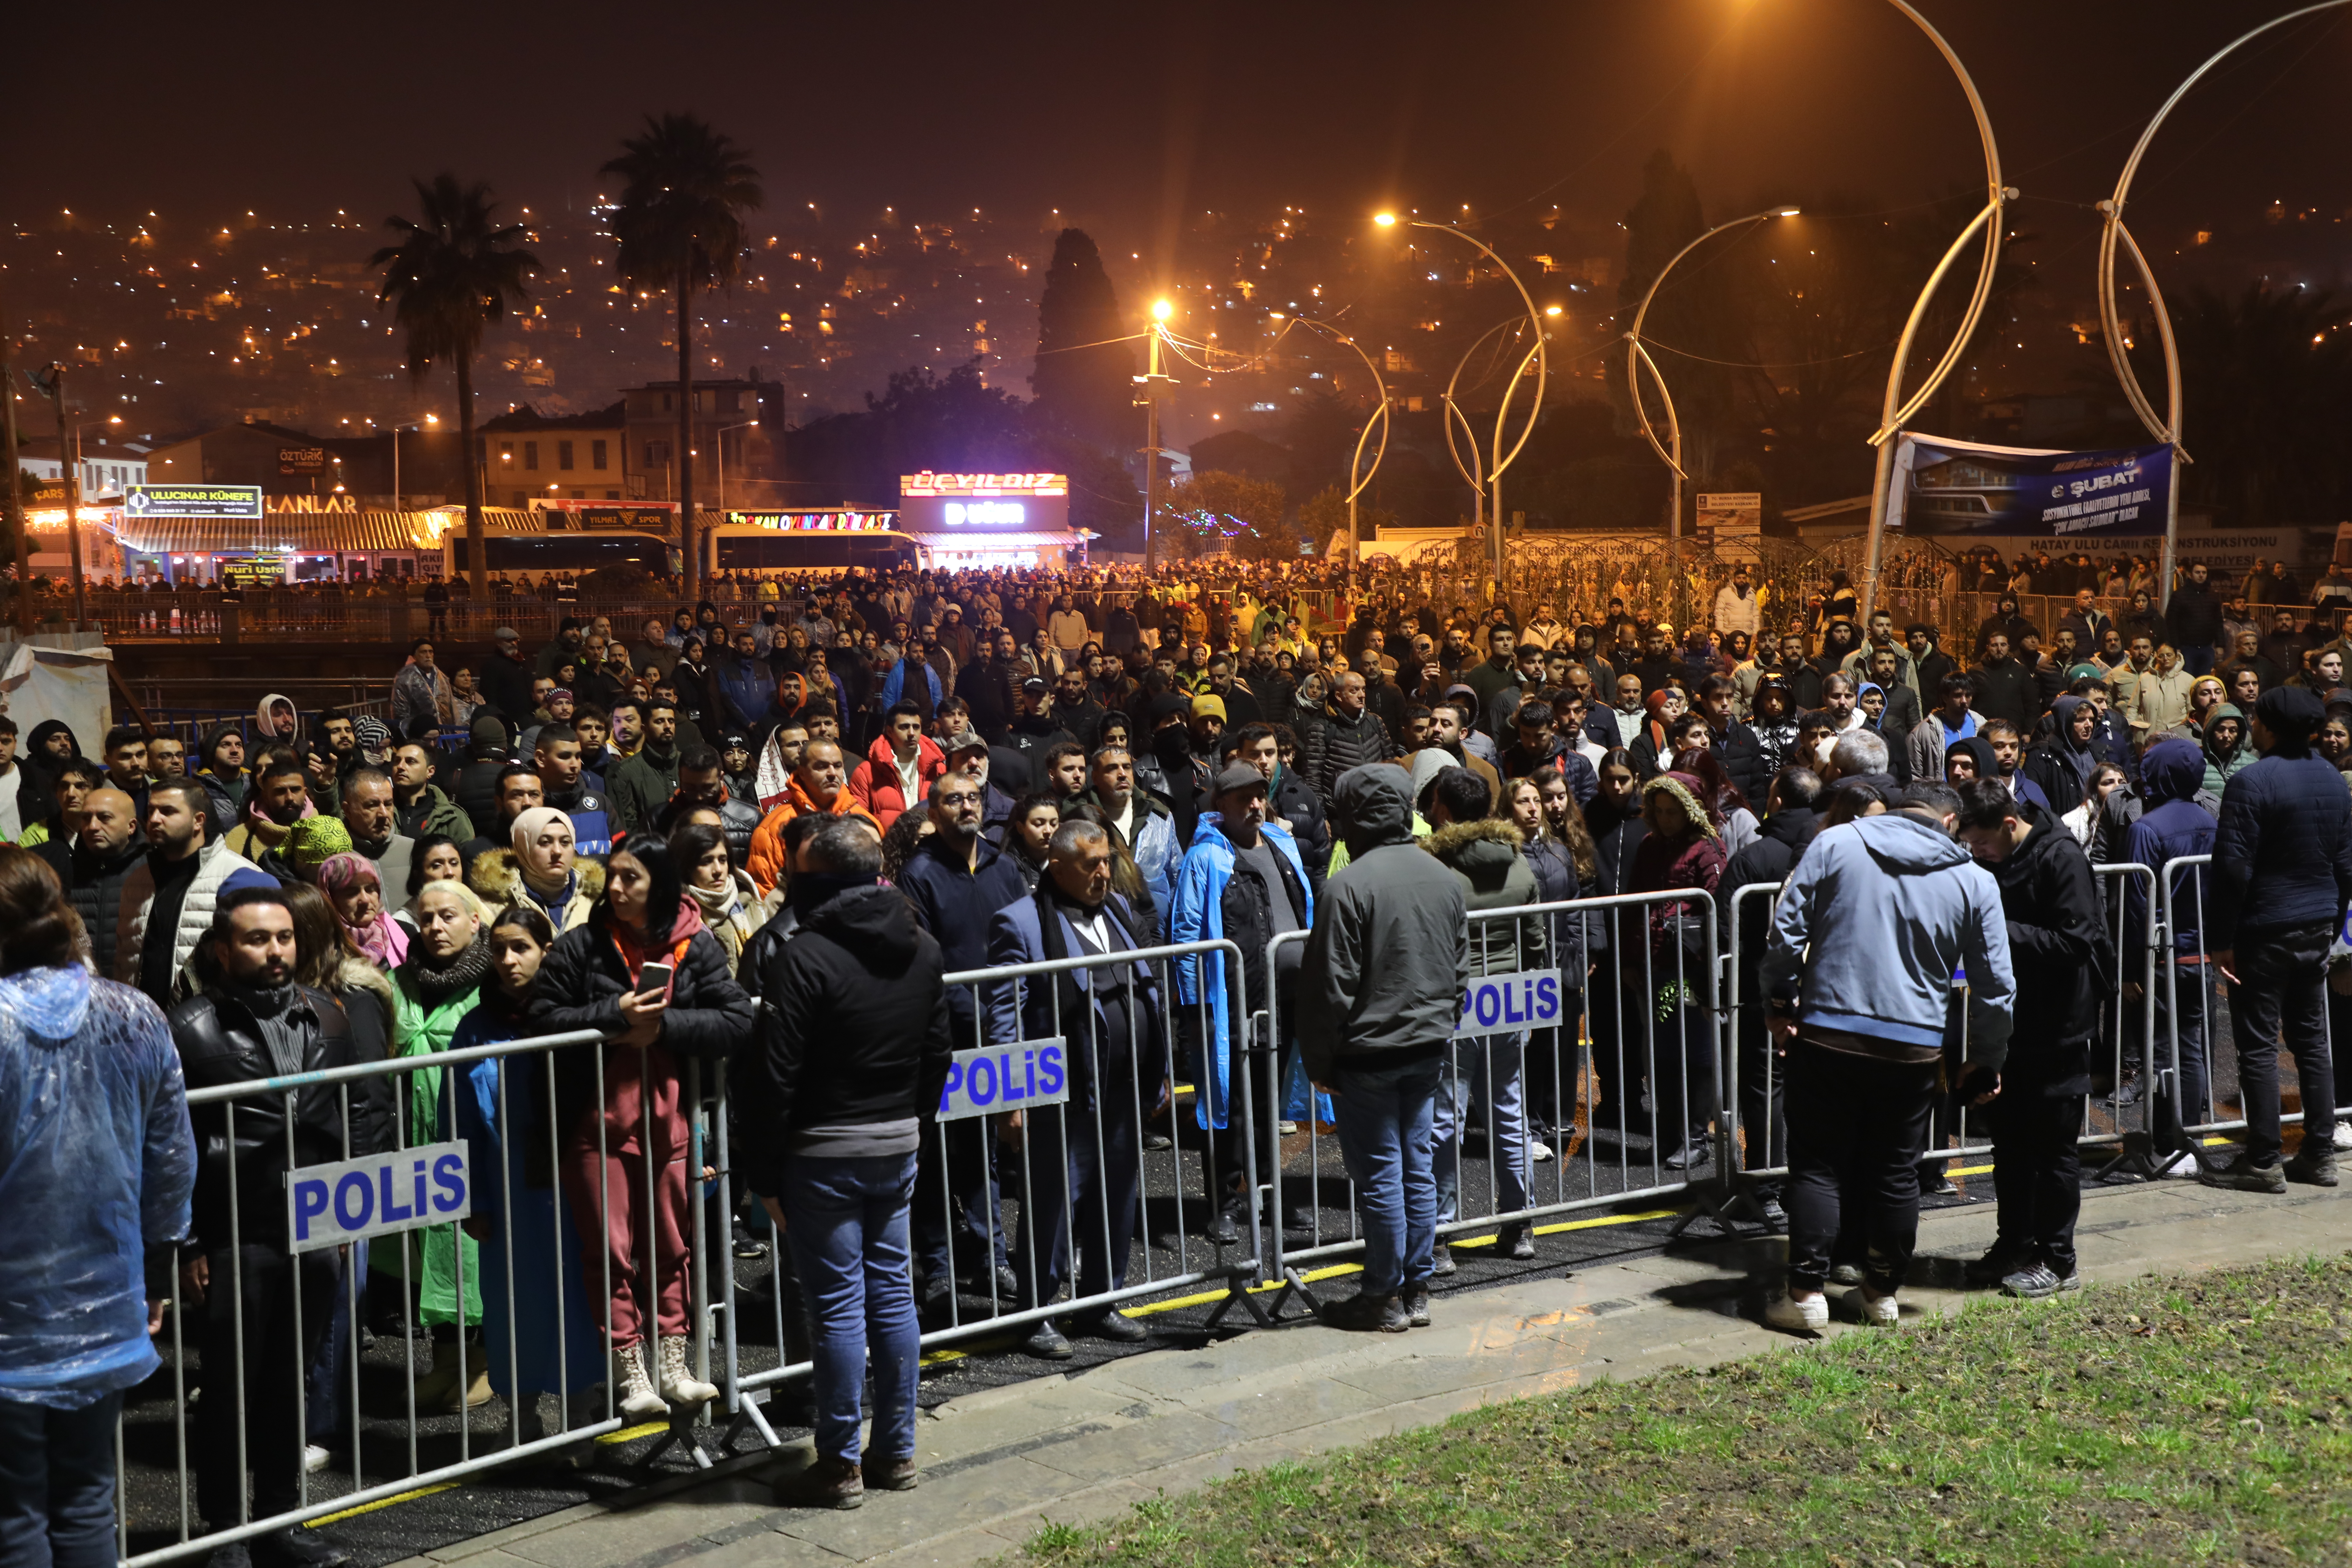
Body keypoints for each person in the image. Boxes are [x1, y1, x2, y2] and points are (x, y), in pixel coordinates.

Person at [170, 885, 394, 1566]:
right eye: (257, 939)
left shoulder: (329, 1011)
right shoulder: (189, 1026)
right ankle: (223, 1532)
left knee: (290, 1381)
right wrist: (187, 1242)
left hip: (315, 1224)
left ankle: (280, 1520)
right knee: (230, 1386)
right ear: (222, 948)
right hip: (234, 1230)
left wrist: (360, 1201)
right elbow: (170, 1144)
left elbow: (354, 1110)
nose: (274, 951)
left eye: (284, 937)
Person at [741, 817, 946, 1509]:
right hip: (896, 1143)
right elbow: (937, 1052)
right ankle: (896, 1449)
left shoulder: (806, 954)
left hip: (824, 1151)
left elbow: (777, 1073)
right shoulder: (921, 944)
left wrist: (764, 1173)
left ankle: (838, 1463)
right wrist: (914, 1124)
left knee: (836, 1309)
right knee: (892, 1295)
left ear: (818, 878)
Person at [0, 847, 196, 1568]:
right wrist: (157, 1268)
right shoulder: (136, 1014)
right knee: (86, 1498)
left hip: (14, 1310)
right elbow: (172, 1163)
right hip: (107, 1291)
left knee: (13, 1507)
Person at [1759, 787, 2014, 1333]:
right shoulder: (1975, 880)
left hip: (1829, 1032)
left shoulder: (1836, 844)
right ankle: (1881, 1294)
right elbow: (1996, 987)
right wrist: (1986, 1058)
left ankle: (1806, 1294)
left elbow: (1784, 935)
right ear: (1948, 820)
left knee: (1818, 1166)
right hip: (1913, 1044)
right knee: (1896, 1171)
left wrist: (1779, 1003)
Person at [534, 837, 750, 1418]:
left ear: (659, 882)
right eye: (613, 876)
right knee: (611, 1249)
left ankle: (675, 1366)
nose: (617, 888)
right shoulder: (582, 945)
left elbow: (736, 1019)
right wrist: (613, 1017)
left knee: (673, 1244)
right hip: (594, 1125)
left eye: (631, 878)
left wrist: (665, 1030)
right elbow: (542, 1016)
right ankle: (632, 1373)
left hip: (670, 1122)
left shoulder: (694, 944)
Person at [985, 818, 1164, 1358]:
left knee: (1116, 1196)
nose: (1104, 873)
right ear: (1057, 867)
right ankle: (1037, 1311)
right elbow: (1004, 1015)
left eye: (1107, 860)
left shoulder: (1115, 908)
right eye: (1092, 864)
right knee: (1053, 1201)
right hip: (1063, 1091)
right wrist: (1011, 1101)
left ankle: (1099, 1300)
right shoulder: (1019, 922)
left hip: (1124, 1085)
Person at [1301, 764, 1469, 1332]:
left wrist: (1321, 1061)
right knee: (1416, 1169)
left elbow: (1331, 986)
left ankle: (1384, 1296)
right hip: (1425, 1046)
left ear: (1353, 816)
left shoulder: (1348, 886)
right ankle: (1415, 1289)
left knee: (1382, 1176)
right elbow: (1460, 970)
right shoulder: (1443, 877)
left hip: (1368, 1051)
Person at [445, 905, 606, 1454]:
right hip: (508, 1191)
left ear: (547, 950)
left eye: (522, 948)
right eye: (499, 950)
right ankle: (524, 1415)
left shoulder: (576, 1013)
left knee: (580, 1299)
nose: (509, 961)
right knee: (515, 1303)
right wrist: (474, 1200)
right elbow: (461, 1119)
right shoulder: (475, 1027)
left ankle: (582, 1413)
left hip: (574, 1186)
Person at [1953, 778, 2113, 1299]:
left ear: (2008, 823)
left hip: (2060, 1025)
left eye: (1980, 843)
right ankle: (2015, 1243)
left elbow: (2076, 940)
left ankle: (2058, 1258)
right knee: (2011, 1146)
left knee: (2054, 1150)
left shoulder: (2059, 857)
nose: (1977, 854)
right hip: (2014, 1024)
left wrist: (1998, 930)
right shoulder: (1995, 862)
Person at [2205, 686, 2352, 1190]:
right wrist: (2331, 926)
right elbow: (2346, 864)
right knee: (2313, 1044)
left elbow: (2231, 868)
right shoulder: (2333, 779)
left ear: (2268, 727)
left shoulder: (2252, 782)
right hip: (2316, 924)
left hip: (2265, 929)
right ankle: (2318, 1154)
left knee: (2260, 1046)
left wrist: (2221, 936)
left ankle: (2264, 1159)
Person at [894, 774, 1028, 1319]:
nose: (967, 806)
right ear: (934, 809)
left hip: (998, 1031)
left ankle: (992, 1254)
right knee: (934, 1157)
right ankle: (941, 1269)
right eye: (954, 799)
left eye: (973, 797)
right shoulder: (918, 874)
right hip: (943, 1036)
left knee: (985, 1155)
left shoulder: (1004, 866)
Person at [1169, 762, 1315, 1247]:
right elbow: (1187, 933)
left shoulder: (1282, 844)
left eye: (1259, 796)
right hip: (1233, 1000)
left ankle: (1269, 1193)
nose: (1255, 805)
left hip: (1288, 998)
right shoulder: (1206, 857)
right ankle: (1224, 1202)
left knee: (1270, 1102)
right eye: (1243, 799)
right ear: (1221, 805)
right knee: (1230, 1104)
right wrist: (1196, 1007)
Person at [1422, 768, 1541, 1268]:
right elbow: (1535, 940)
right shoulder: (1519, 864)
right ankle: (1520, 1225)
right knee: (1510, 1115)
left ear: (1445, 812)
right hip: (1510, 998)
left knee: (1444, 1121)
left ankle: (1442, 1234)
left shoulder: (1436, 871)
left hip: (1456, 1002)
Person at [389, 878, 495, 1411]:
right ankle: (446, 1363)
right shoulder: (398, 980)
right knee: (430, 1255)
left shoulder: (493, 981)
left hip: (471, 1136)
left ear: (474, 921)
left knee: (472, 1253)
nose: (434, 927)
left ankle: (486, 1364)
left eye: (447, 916)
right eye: (425, 918)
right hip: (417, 1135)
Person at [1715, 765, 1823, 1228]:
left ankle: (1766, 1185)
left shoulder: (1755, 858)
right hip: (1823, 991)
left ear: (1776, 802)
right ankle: (1806, 1183)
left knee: (1765, 1087)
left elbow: (1724, 931)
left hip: (1766, 994)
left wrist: (1714, 989)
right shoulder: (1835, 849)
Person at [2126, 739, 2221, 1160]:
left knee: (2164, 1050)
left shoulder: (2146, 828)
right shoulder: (2212, 820)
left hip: (2162, 954)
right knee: (2192, 1046)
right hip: (2201, 952)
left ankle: (2169, 1142)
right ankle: (2189, 1138)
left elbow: (2136, 904)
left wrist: (2129, 965)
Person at [118, 780, 276, 1004]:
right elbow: (125, 959)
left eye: (168, 811)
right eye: (151, 811)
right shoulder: (137, 881)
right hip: (144, 1024)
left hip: (210, 1024)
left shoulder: (239, 876)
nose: (154, 819)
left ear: (198, 821)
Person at [672, 820, 774, 976]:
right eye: (706, 862)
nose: (718, 870)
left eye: (723, 860)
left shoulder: (750, 904)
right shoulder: (680, 920)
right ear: (686, 867)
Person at [848, 700, 945, 831]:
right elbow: (858, 824)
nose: (912, 733)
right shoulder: (866, 773)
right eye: (904, 727)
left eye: (916, 727)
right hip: (887, 848)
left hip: (930, 847)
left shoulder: (938, 769)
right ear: (889, 731)